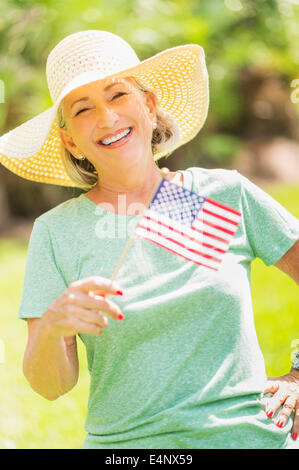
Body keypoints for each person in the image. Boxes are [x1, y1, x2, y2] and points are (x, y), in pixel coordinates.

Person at [0, 30, 298, 449]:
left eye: (118, 95)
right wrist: (51, 329)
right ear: (70, 139)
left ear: (149, 104)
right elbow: (50, 387)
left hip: (249, 439)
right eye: (83, 109)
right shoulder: (55, 232)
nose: (106, 118)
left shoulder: (223, 196)